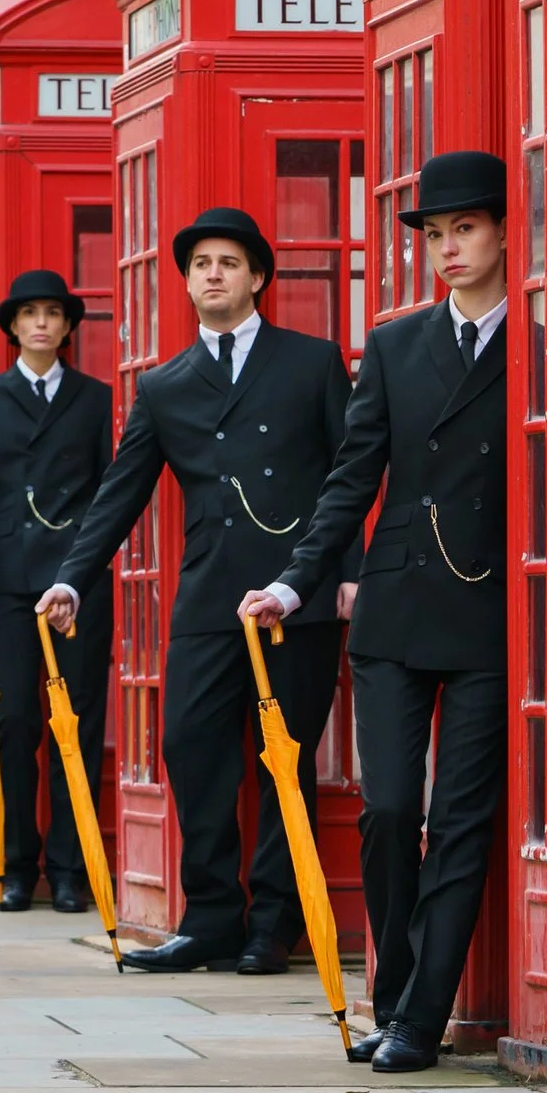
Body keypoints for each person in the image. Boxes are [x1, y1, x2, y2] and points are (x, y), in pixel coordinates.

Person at [46, 208, 358, 976]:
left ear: (257, 276)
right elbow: (118, 493)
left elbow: (350, 472)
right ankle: (214, 915)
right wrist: (69, 578)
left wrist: (345, 572)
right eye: (201, 264)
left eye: (228, 261)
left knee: (283, 759)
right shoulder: (165, 383)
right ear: (186, 282)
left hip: (296, 597)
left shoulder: (311, 361)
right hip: (208, 597)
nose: (213, 273)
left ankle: (273, 923)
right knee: (188, 744)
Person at [255, 151, 510, 1073]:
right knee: (390, 808)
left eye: (463, 230)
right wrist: (295, 579)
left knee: (463, 818)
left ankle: (419, 1017)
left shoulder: (545, 333)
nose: (446, 248)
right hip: (397, 602)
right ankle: (393, 986)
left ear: (503, 232)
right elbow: (350, 476)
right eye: (434, 234)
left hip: (491, 608)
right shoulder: (396, 344)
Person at [0, 269, 116, 914]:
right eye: (30, 314)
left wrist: (89, 564)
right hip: (11, 582)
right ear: (13, 327)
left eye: (54, 312)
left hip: (76, 582)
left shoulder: (97, 398)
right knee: (16, 721)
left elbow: (111, 490)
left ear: (70, 326)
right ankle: (17, 866)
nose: (42, 322)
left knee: (76, 723)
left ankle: (70, 869)